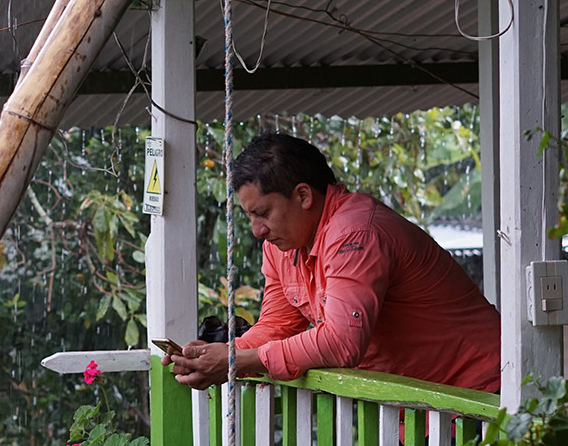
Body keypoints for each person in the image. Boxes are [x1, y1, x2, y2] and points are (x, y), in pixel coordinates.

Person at [168, 133, 500, 393]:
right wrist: (219, 354)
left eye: (263, 213)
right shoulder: (283, 247)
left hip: (482, 394)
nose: (257, 231)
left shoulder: (355, 232)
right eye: (250, 217)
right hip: (420, 408)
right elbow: (276, 328)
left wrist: (235, 360)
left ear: (303, 196)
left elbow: (342, 342)